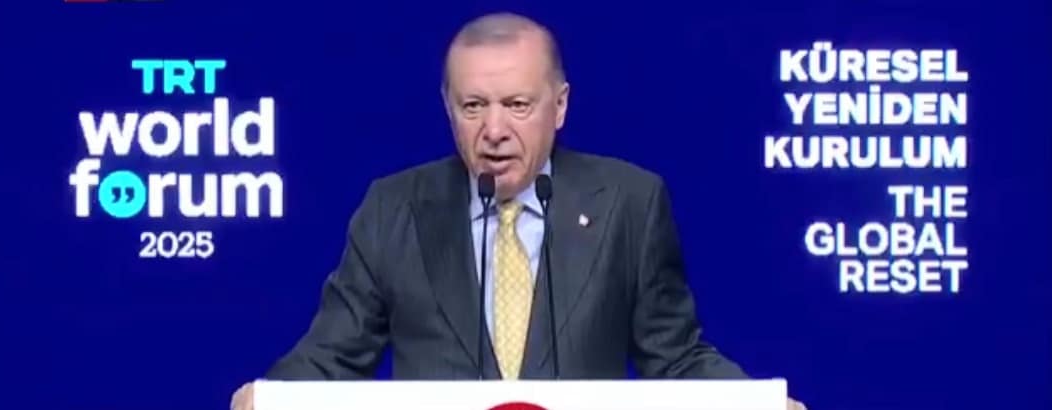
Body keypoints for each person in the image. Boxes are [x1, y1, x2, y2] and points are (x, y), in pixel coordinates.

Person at [231, 12, 807, 410]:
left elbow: (674, 357)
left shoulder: (629, 203)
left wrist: (753, 402)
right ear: (448, 108)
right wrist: (270, 396)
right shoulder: (393, 209)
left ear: (560, 106)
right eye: (473, 106)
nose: (494, 130)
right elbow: (332, 356)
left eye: (517, 105)